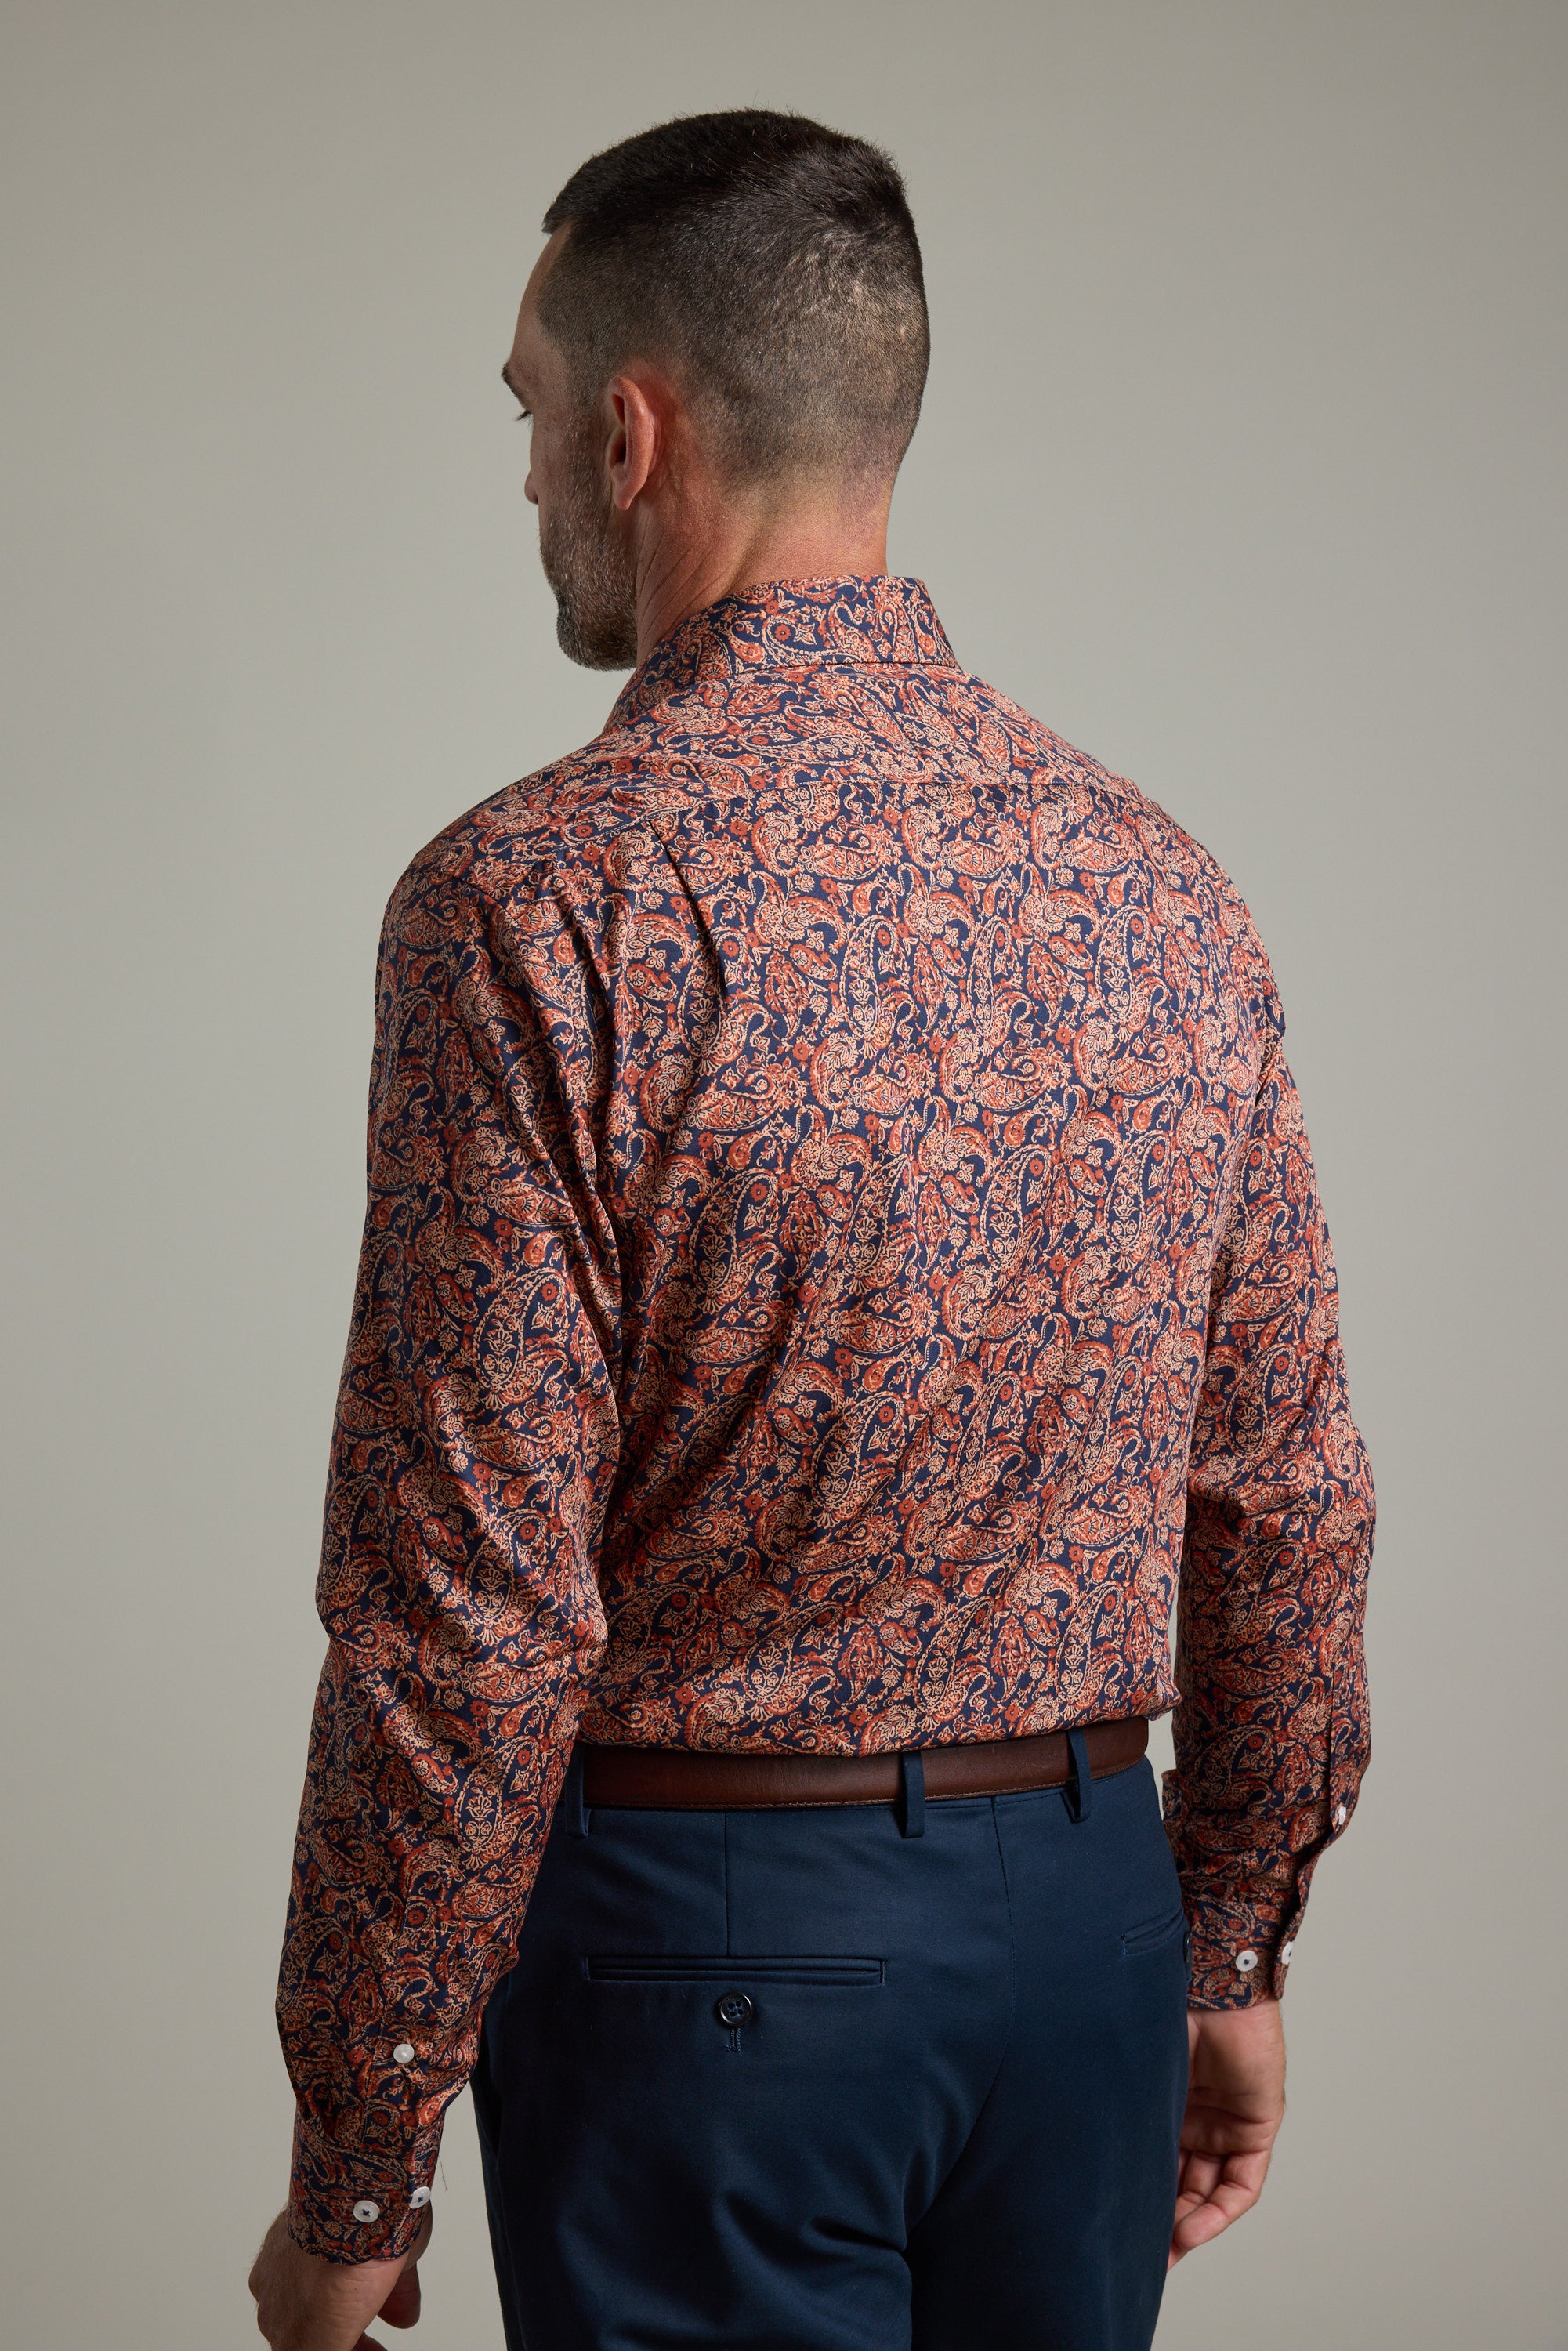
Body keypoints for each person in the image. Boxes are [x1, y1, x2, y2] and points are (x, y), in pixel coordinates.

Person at [248, 108, 1373, 2351]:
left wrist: (358, 2153)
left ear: (632, 429)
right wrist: (1223, 1938)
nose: (532, 472)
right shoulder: (1155, 881)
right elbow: (1286, 1486)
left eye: (530, 415)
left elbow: (465, 1616)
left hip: (708, 1959)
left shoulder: (538, 907)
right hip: (1080, 1945)